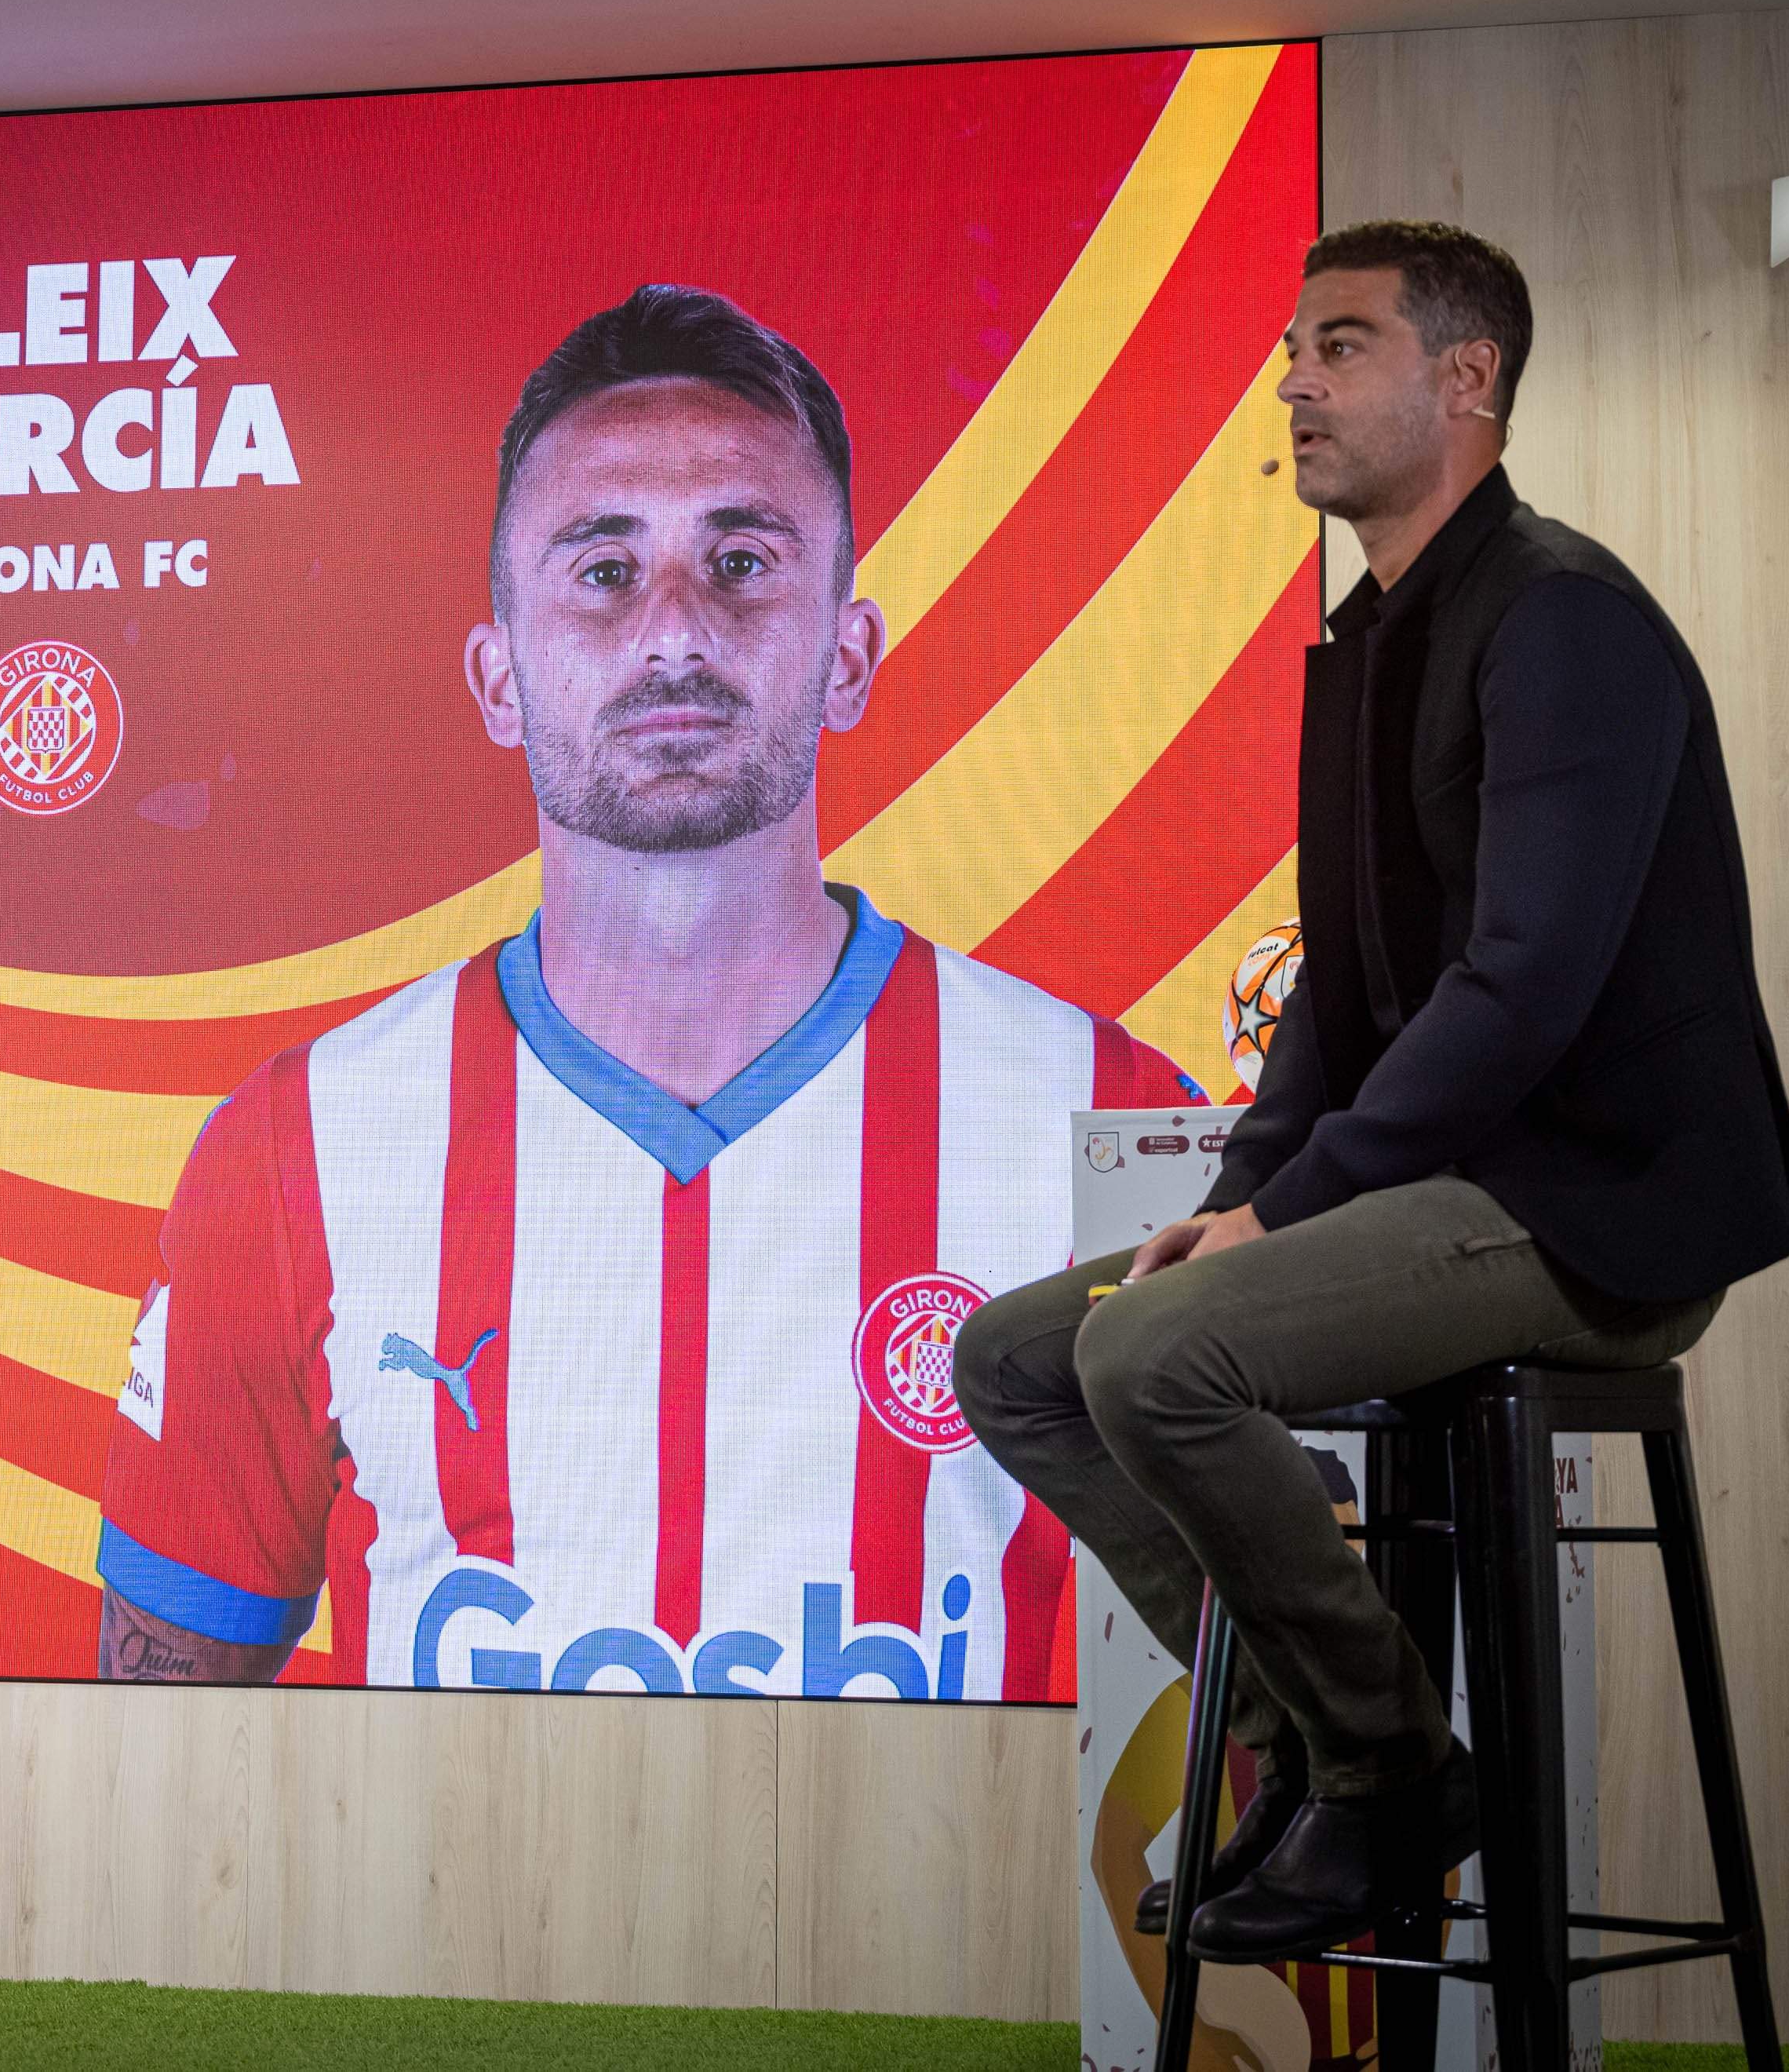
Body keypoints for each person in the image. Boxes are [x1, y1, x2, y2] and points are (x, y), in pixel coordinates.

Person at [95, 285, 1198, 1695]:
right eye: (604, 572)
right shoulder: (291, 1147)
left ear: (847, 655)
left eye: (741, 560)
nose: (673, 629)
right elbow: (157, 1738)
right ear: (499, 677)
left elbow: (1221, 1721)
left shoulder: (1113, 1126)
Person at [955, 222, 1789, 1958]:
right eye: (1289, 351)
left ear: (1465, 378)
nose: (1290, 383)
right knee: (1017, 1358)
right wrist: (1240, 1190)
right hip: (1455, 1193)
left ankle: (1390, 1778)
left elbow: (1519, 993)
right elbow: (1341, 999)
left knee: (1153, 1350)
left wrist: (1287, 1213)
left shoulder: (1561, 619)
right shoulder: (1369, 640)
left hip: (1602, 1208)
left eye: (1337, 346)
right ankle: (1315, 1750)